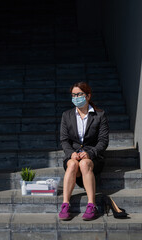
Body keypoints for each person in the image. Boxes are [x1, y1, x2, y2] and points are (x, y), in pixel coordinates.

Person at [58, 82, 109, 221]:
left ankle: (92, 205)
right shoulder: (66, 115)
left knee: (84, 164)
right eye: (73, 95)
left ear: (88, 96)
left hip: (93, 158)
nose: (76, 97)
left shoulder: (99, 115)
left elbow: (103, 141)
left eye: (79, 94)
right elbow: (64, 140)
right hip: (73, 156)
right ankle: (65, 204)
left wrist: (91, 153)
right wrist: (71, 153)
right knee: (73, 164)